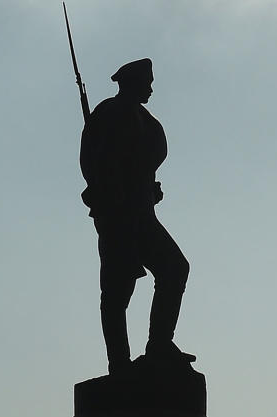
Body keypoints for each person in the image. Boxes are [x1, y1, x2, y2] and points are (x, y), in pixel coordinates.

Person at [79, 58, 191, 376]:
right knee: (118, 288)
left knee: (174, 267)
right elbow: (92, 161)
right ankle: (119, 364)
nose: (151, 88)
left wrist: (150, 186)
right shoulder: (108, 113)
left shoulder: (146, 120)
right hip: (117, 214)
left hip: (142, 211)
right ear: (130, 83)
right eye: (147, 82)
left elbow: (143, 162)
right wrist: (105, 189)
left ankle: (159, 345)